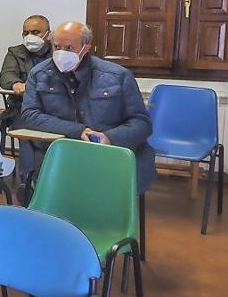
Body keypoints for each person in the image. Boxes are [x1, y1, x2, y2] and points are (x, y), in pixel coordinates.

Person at [20, 21, 156, 192]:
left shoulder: (117, 76)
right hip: (60, 151)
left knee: (101, 192)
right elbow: (30, 114)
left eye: (69, 48)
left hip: (107, 154)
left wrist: (109, 137)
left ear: (86, 47)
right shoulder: (39, 74)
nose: (61, 53)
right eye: (57, 47)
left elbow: (141, 123)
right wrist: (78, 131)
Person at [0, 15, 53, 127]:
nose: (30, 36)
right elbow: (6, 75)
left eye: (35, 32)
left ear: (49, 34)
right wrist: (15, 84)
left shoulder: (57, 53)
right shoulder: (15, 52)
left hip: (52, 108)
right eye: (25, 33)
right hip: (22, 107)